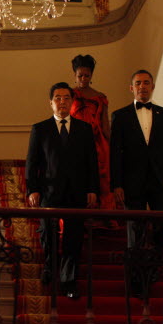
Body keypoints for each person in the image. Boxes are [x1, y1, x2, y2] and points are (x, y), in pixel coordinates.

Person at [25, 82, 99, 299]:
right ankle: (50, 267)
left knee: (73, 237)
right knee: (47, 234)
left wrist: (92, 189)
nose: (62, 102)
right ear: (51, 102)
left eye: (67, 98)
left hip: (77, 191)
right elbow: (32, 163)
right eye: (58, 98)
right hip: (49, 191)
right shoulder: (40, 129)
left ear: (72, 101)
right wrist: (32, 189)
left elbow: (92, 162)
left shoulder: (84, 129)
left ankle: (68, 280)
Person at [110, 69, 163, 253]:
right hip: (132, 181)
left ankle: (159, 264)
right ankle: (135, 268)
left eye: (146, 82)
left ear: (153, 86)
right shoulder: (120, 116)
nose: (142, 86)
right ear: (131, 88)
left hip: (160, 180)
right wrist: (117, 184)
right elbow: (115, 153)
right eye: (138, 83)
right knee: (135, 229)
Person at [69, 54, 116, 215]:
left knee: (102, 179)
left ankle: (103, 216)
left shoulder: (101, 97)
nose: (83, 79)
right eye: (80, 75)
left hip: (98, 143)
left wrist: (113, 146)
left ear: (91, 76)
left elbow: (105, 124)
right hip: (75, 141)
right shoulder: (69, 95)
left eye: (87, 75)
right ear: (75, 75)